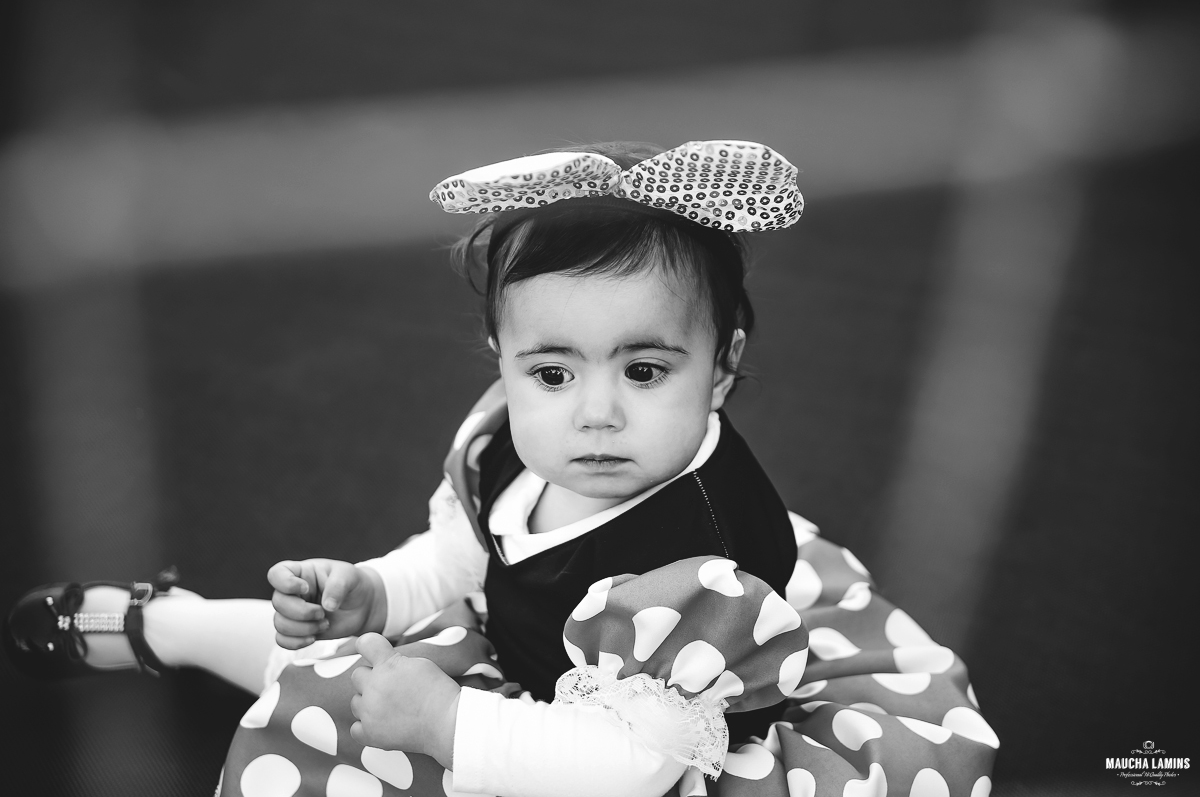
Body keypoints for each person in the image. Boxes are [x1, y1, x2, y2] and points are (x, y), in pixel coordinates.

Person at [5, 140, 998, 797]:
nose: (596, 411)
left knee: (359, 721)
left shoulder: (699, 569)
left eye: (645, 369)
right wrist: (378, 589)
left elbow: (632, 766)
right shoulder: (509, 441)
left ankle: (185, 636)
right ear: (503, 359)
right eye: (552, 371)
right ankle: (173, 625)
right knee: (347, 651)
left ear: (723, 365)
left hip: (636, 739)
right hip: (538, 655)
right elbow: (463, 553)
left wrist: (450, 723)